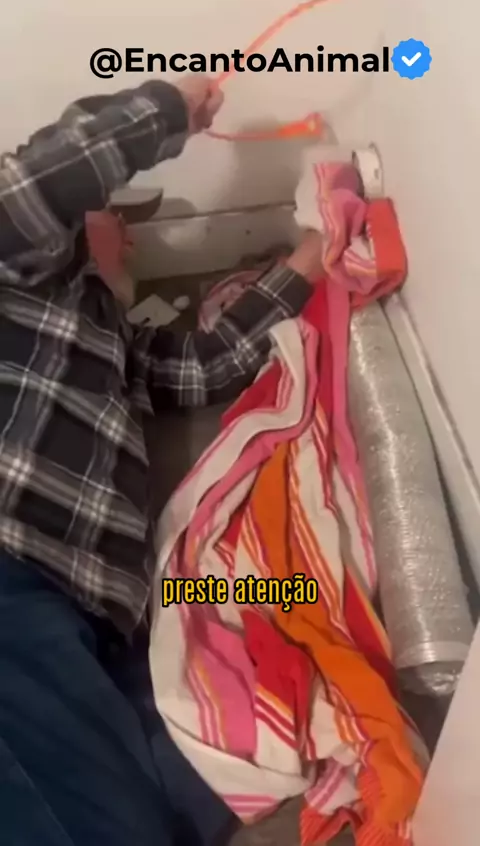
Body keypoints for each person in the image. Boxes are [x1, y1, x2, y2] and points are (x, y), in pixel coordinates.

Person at [0, 76, 324, 845]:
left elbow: (209, 365)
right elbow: (34, 186)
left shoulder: (119, 351)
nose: (128, 231)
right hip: (14, 578)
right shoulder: (18, 286)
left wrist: (313, 259)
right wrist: (169, 107)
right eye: (109, 213)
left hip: (100, 629)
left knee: (161, 807)